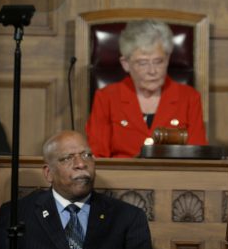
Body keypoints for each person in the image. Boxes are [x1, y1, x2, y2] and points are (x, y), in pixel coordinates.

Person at [0, 130, 152, 249]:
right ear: (48, 173)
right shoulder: (16, 214)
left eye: (87, 155)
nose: (81, 164)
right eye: (68, 158)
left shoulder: (128, 217)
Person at [86, 19, 207, 157]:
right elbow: (98, 158)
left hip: (173, 177)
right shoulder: (106, 98)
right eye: (143, 63)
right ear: (125, 63)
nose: (152, 71)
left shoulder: (189, 98)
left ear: (167, 59)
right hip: (120, 177)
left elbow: (198, 156)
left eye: (158, 61)